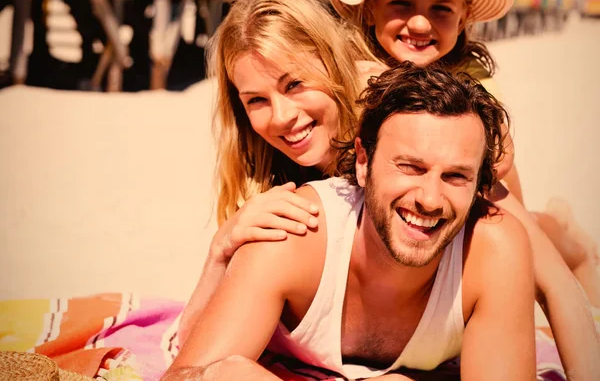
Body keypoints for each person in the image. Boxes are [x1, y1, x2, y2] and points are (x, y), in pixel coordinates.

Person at [325, 0, 600, 378]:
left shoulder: (467, 97)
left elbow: (503, 190)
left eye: (440, 10)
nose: (418, 22)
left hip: (475, 197)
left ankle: (572, 245)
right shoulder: (347, 76)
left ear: (463, 18)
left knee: (536, 254)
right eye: (400, 3)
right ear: (369, 7)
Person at [165, 64, 537, 381]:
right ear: (362, 161)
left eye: (456, 176)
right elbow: (188, 374)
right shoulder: (295, 232)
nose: (429, 198)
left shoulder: (493, 250)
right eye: (409, 167)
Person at [177, 0, 381, 344]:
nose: (282, 116)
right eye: (256, 100)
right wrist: (220, 250)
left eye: (295, 83)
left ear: (333, 62)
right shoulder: (269, 176)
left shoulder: (389, 125)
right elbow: (189, 344)